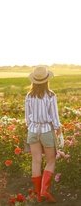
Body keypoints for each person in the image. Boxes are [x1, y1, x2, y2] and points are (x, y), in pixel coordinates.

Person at [25, 66, 64, 203]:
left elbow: (27, 119)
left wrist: (32, 126)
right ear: (47, 80)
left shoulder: (29, 95)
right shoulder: (51, 95)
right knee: (51, 160)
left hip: (33, 130)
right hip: (47, 130)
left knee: (36, 161)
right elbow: (55, 116)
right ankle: (44, 189)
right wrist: (59, 131)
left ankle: (38, 195)